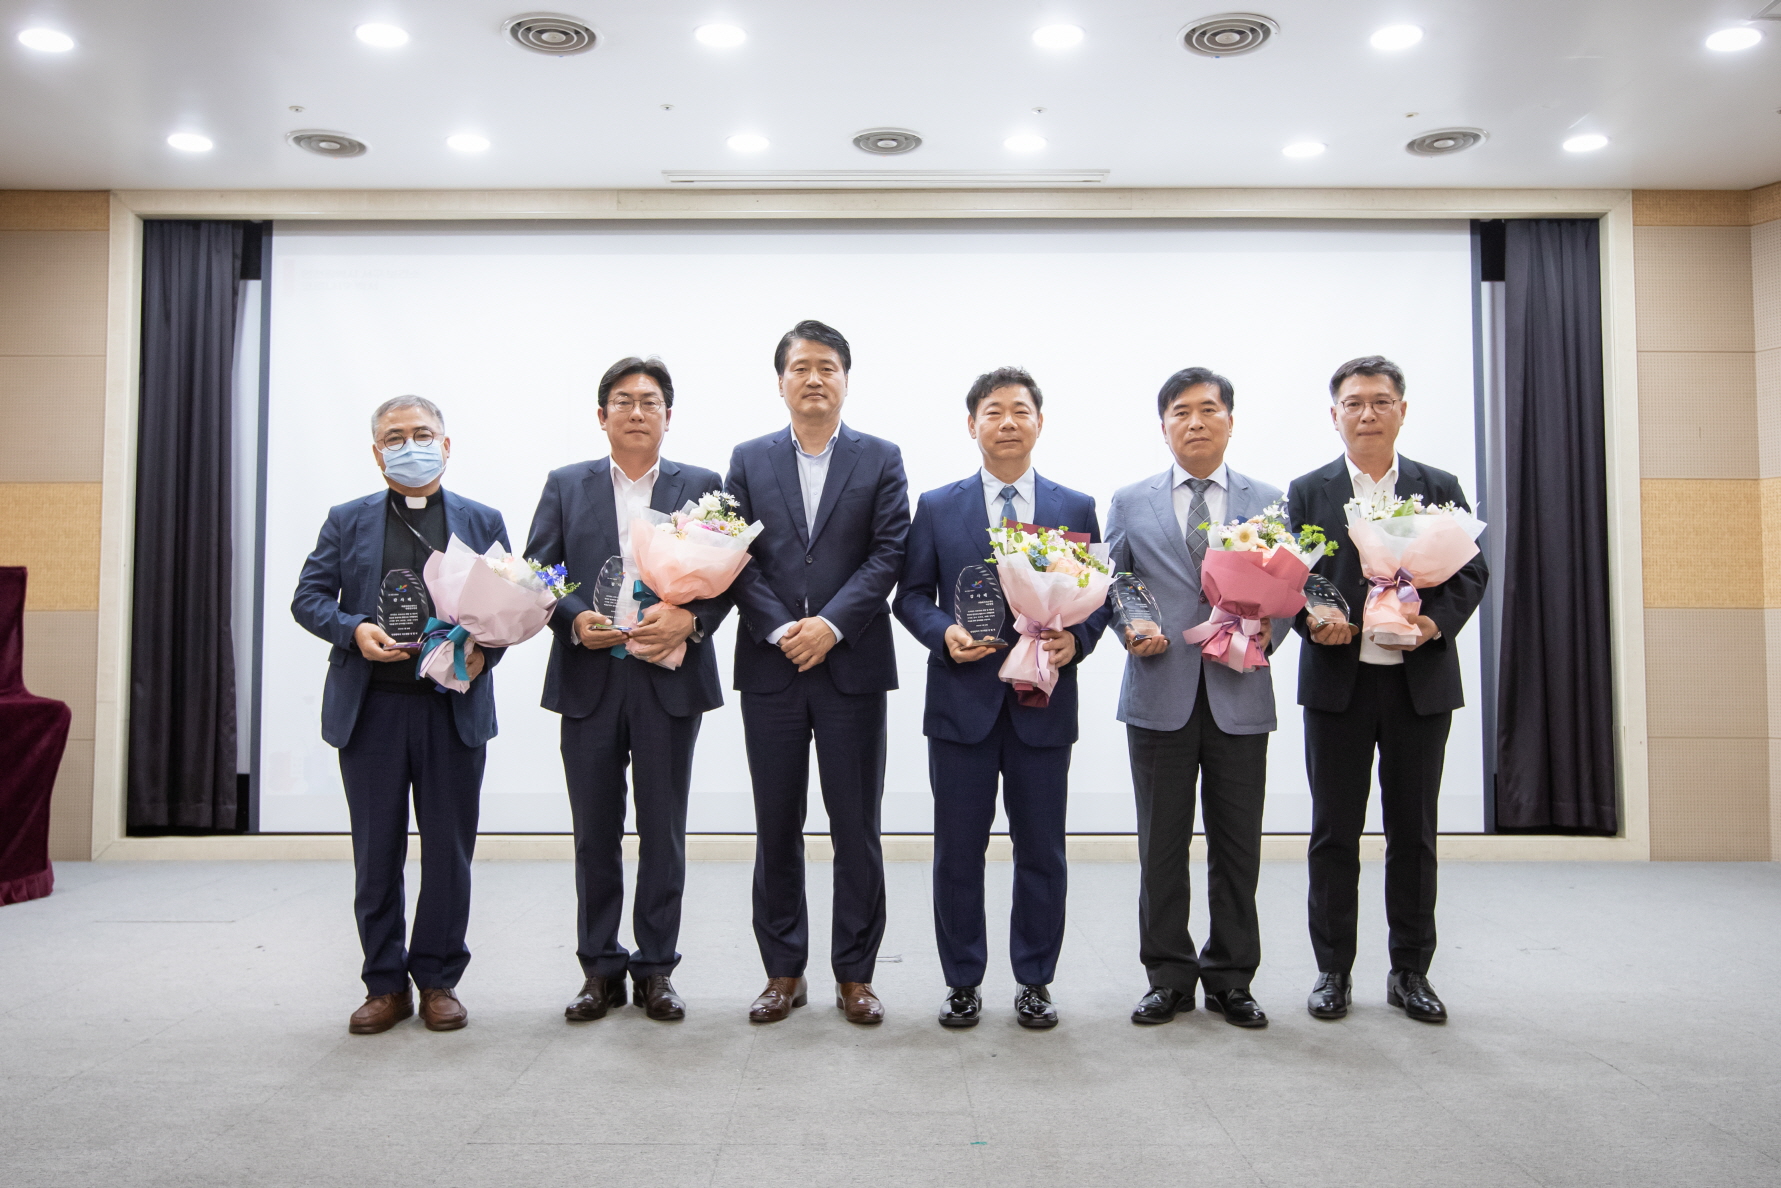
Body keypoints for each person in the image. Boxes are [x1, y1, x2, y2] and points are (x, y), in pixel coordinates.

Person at [893, 367, 1107, 1030]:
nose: (1007, 421)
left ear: (1039, 421)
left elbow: (1098, 597)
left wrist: (1078, 640)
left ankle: (1034, 980)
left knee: (1041, 849)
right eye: (993, 411)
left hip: (1043, 702)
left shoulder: (1075, 506)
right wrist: (942, 633)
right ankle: (962, 980)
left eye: (1020, 409)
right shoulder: (937, 506)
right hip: (962, 704)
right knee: (957, 850)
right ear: (972, 425)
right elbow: (910, 595)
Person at [292, 395, 508, 1034]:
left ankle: (439, 979)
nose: (409, 446)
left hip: (451, 709)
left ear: (446, 444)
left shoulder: (482, 518)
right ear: (376, 452)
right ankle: (384, 984)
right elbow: (308, 598)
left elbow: (510, 607)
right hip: (373, 711)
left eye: (421, 434)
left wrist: (483, 651)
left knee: (449, 852)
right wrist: (353, 628)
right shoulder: (347, 520)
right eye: (395, 437)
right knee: (376, 852)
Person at [523, 357, 730, 1024]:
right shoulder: (566, 484)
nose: (636, 412)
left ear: (668, 415)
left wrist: (691, 621)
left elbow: (729, 578)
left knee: (663, 830)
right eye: (622, 400)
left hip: (667, 675)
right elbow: (540, 568)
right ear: (601, 415)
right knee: (595, 831)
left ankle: (657, 969)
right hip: (590, 675)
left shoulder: (703, 485)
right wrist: (569, 617)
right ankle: (599, 969)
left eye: (649, 401)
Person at [1286, 355, 1487, 1024]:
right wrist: (1314, 618)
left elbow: (1470, 572)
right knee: (1333, 833)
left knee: (1414, 832)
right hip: (1337, 685)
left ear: (1402, 410)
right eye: (1353, 403)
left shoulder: (1438, 485)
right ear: (1334, 414)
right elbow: (1288, 577)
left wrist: (1433, 622)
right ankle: (1332, 970)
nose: (1366, 413)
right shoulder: (1308, 491)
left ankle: (1410, 972)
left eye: (1379, 401)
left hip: (1417, 687)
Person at [725, 319, 909, 1025]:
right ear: (780, 382)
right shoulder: (748, 459)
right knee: (776, 824)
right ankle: (783, 971)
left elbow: (889, 553)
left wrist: (829, 626)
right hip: (770, 667)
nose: (813, 378)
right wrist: (781, 627)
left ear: (845, 380)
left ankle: (855, 975)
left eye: (827, 367)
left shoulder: (881, 458)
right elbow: (731, 553)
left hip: (850, 666)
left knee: (855, 825)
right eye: (800, 367)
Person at [1105, 367, 1291, 1029]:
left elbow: (1287, 589)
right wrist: (1130, 627)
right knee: (1160, 846)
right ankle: (1167, 976)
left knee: (1237, 846)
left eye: (1208, 409)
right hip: (1160, 690)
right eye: (1180, 411)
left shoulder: (1268, 499)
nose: (1195, 422)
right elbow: (1114, 582)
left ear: (1229, 421)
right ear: (1163, 427)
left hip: (1239, 691)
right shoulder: (1130, 500)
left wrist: (1267, 632)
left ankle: (1232, 978)